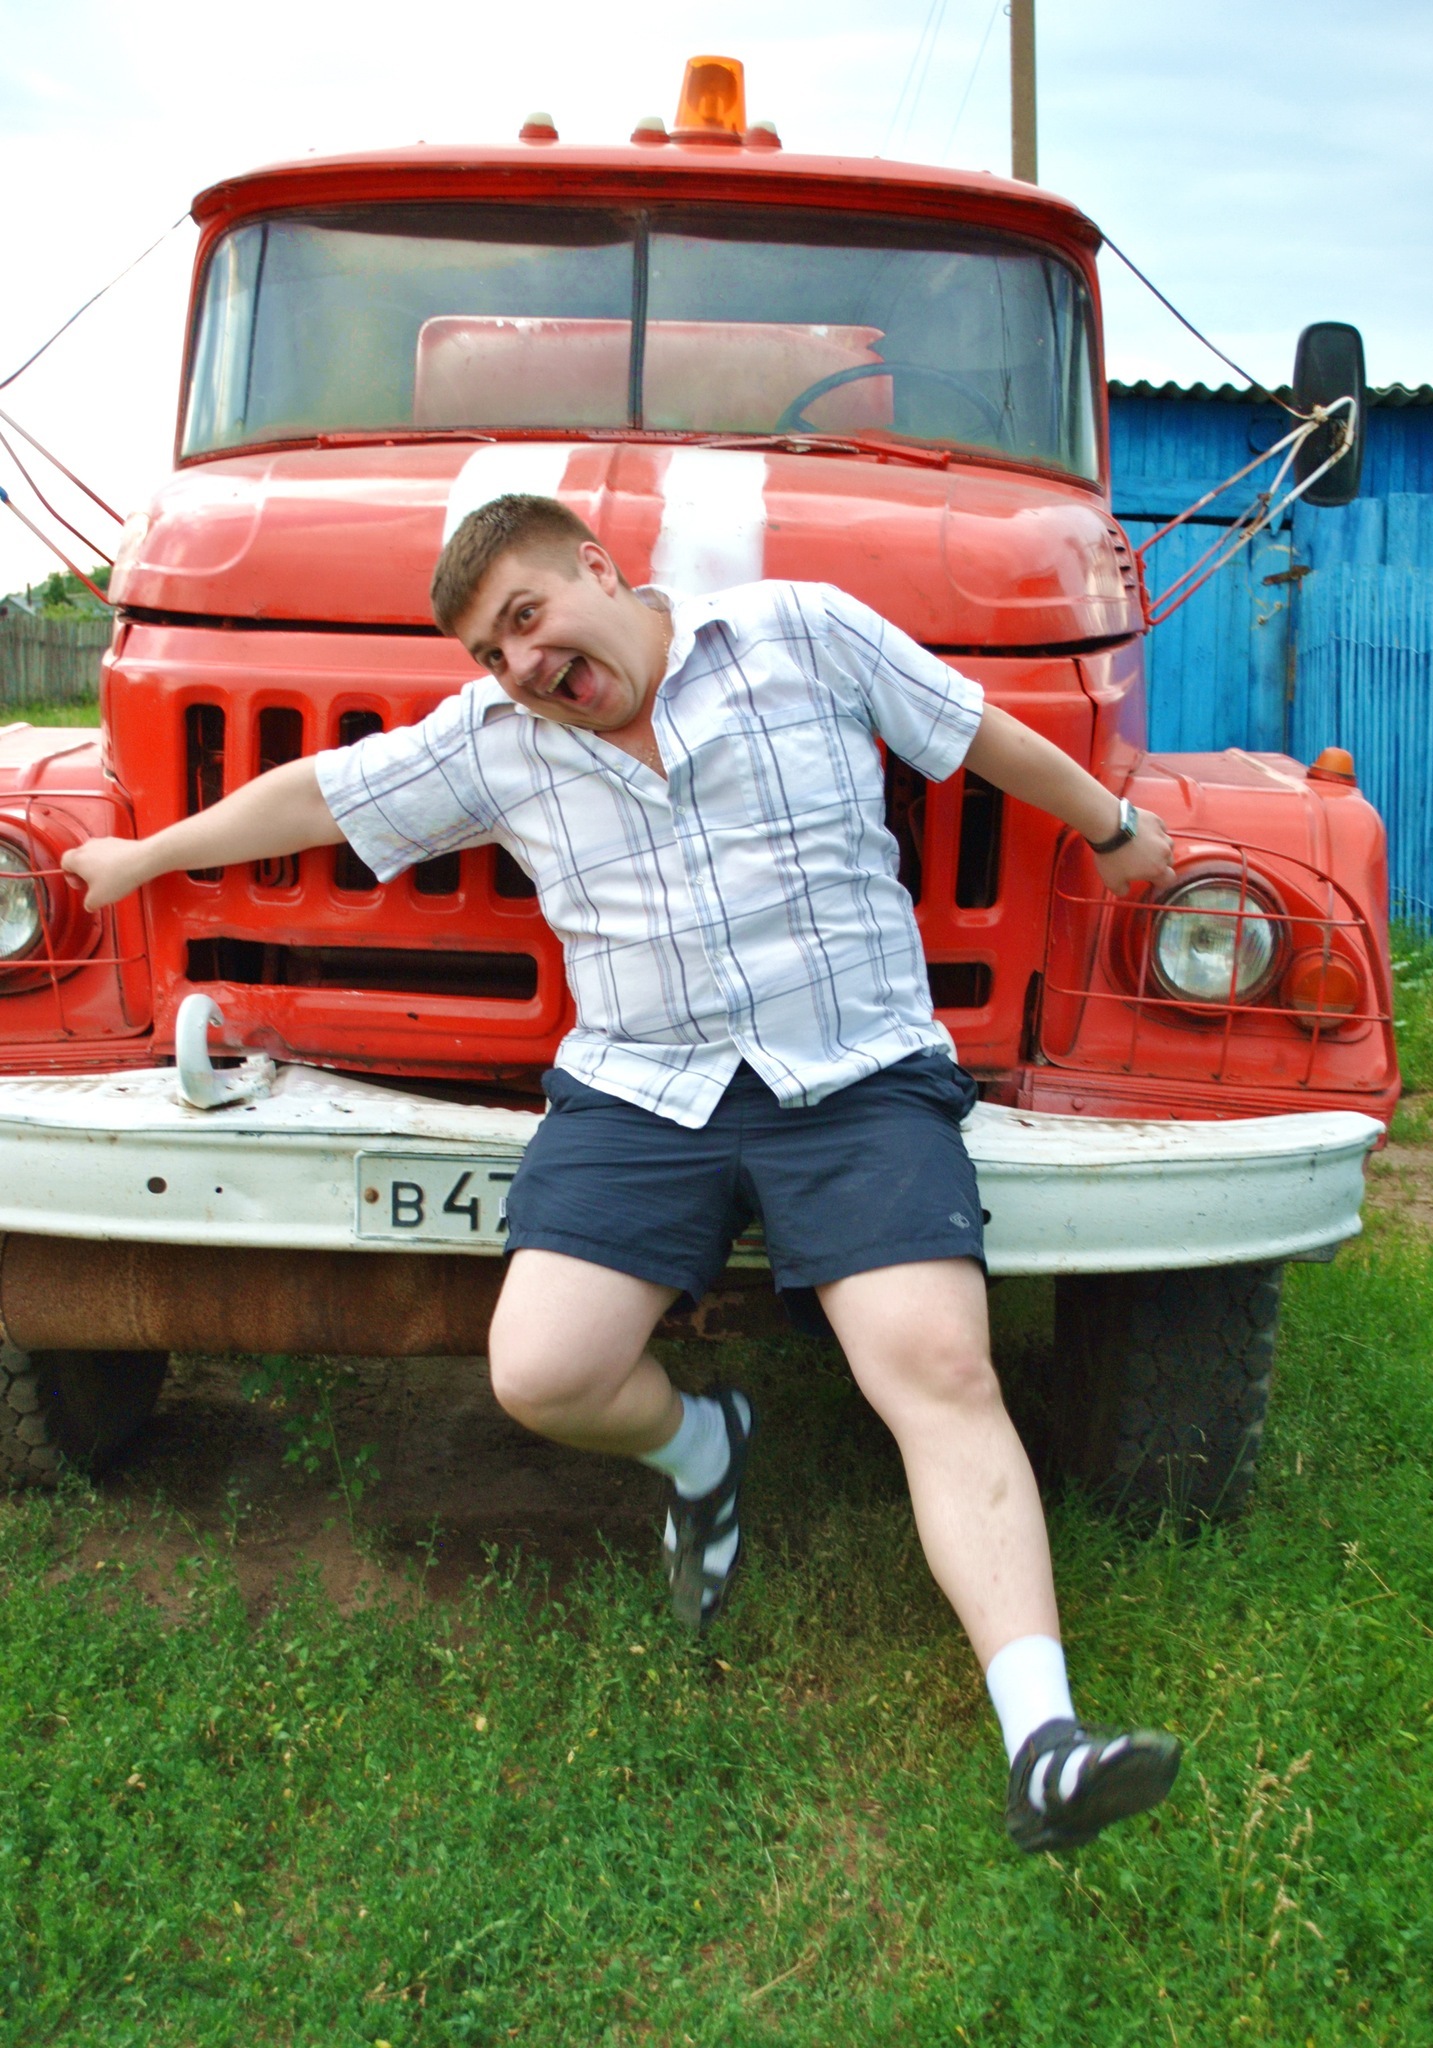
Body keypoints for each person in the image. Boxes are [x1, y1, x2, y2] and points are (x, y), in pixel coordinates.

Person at [64, 493, 1184, 1853]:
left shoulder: (803, 632)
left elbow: (977, 733)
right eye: (492, 652)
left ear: (600, 568)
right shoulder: (498, 739)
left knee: (939, 1371)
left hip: (853, 1069)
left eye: (529, 619)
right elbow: (319, 793)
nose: (523, 667)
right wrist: (145, 854)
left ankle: (1044, 1743)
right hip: (644, 1087)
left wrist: (1112, 827)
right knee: (542, 1373)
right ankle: (703, 1443)